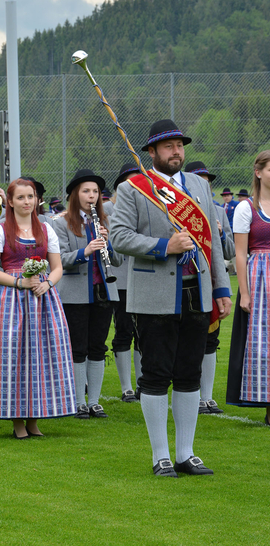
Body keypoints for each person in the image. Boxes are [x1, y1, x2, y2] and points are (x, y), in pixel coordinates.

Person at [111, 119, 232, 477]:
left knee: (188, 374)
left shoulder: (196, 184)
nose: (176, 151)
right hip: (155, 293)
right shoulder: (135, 188)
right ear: (152, 152)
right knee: (156, 373)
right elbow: (119, 236)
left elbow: (209, 239)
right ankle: (160, 455)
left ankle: (186, 453)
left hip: (198, 292)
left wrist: (222, 289)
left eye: (179, 145)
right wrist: (164, 246)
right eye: (168, 146)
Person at [0, 178, 76, 437]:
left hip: (42, 298)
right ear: (9, 202)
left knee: (41, 356)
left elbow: (57, 267)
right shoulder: (0, 230)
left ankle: (35, 417)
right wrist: (19, 282)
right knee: (13, 357)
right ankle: (16, 421)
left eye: (30, 197)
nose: (27, 202)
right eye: (21, 198)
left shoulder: (46, 230)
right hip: (11, 300)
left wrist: (47, 285)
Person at [53, 169, 122, 419]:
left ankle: (94, 401)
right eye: (86, 191)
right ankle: (77, 401)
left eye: (95, 192)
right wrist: (85, 251)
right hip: (75, 294)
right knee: (77, 348)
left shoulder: (105, 222)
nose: (92, 196)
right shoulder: (60, 223)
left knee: (97, 347)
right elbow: (58, 259)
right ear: (75, 195)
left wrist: (108, 242)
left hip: (103, 291)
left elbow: (119, 260)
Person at [184, 161, 235, 415]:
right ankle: (190, 393)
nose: (204, 183)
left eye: (207, 180)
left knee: (210, 341)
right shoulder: (179, 211)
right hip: (189, 281)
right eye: (198, 178)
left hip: (213, 281)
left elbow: (230, 251)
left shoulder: (219, 211)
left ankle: (207, 396)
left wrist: (221, 235)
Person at [227, 150, 270, 425]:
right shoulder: (247, 208)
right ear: (259, 172)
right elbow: (240, 254)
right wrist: (244, 291)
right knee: (263, 344)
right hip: (260, 278)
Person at [110, 163, 142, 403]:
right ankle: (126, 387)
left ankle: (143, 383)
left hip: (144, 279)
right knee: (124, 332)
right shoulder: (108, 209)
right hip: (121, 280)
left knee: (144, 334)